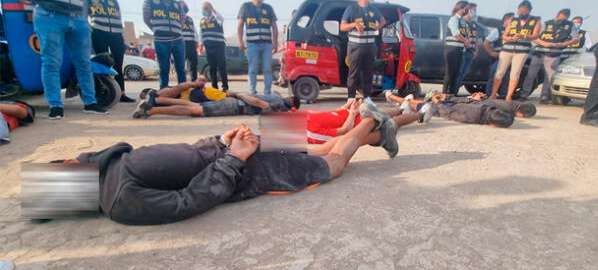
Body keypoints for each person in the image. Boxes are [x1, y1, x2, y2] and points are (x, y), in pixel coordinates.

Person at [50, 103, 398, 225]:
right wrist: (232, 155)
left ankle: (370, 122)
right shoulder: (120, 196)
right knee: (326, 155)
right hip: (245, 161)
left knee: (332, 162)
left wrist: (222, 140)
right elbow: (188, 201)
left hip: (240, 148)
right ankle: (375, 125)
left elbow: (181, 155)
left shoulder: (115, 166)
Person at [86, 0, 135, 103]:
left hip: (116, 34)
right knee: (101, 63)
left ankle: (122, 93)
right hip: (98, 33)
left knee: (118, 64)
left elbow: (119, 17)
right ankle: (102, 91)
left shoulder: (112, 0)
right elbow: (84, 15)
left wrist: (122, 36)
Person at [339, 0, 387, 105]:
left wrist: (378, 26)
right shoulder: (352, 9)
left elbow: (383, 20)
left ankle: (367, 97)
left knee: (368, 73)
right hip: (355, 46)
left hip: (370, 46)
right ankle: (351, 97)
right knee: (353, 73)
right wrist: (354, 25)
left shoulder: (373, 9)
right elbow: (343, 26)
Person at [306, 99, 426, 144]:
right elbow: (343, 132)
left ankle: (401, 110)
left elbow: (328, 114)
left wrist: (345, 107)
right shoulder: (312, 133)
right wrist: (352, 112)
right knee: (393, 122)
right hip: (359, 125)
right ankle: (422, 114)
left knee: (384, 113)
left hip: (352, 115)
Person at [521, 9, 577, 104]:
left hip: (554, 55)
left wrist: (564, 43)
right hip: (539, 53)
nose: (562, 20)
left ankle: (544, 97)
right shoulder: (547, 24)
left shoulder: (570, 26)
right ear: (557, 15)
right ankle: (524, 95)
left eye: (565, 18)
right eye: (561, 17)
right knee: (531, 75)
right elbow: (534, 37)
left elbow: (576, 39)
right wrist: (544, 43)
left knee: (549, 77)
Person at [491, 0, 541, 101]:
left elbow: (535, 35)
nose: (521, 14)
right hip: (507, 49)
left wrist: (524, 36)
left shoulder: (535, 22)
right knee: (500, 72)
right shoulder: (513, 20)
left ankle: (509, 96)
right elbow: (504, 35)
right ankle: (493, 94)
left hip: (522, 51)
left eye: (523, 12)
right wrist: (509, 38)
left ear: (529, 11)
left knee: (515, 73)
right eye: (519, 12)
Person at [143, 0, 186, 89]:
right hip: (161, 40)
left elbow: (182, 20)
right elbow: (146, 18)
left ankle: (184, 92)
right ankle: (164, 92)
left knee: (181, 68)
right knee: (164, 68)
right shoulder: (151, 0)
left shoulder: (177, 4)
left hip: (178, 39)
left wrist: (177, 29)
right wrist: (156, 29)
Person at [133, 90, 299, 119]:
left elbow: (256, 97)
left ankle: (157, 99)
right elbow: (257, 102)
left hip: (234, 102)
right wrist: (240, 95)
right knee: (195, 110)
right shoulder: (278, 103)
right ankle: (151, 110)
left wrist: (238, 94)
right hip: (235, 106)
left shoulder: (276, 98)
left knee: (194, 105)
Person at [237, 0, 278, 95]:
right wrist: (240, 41)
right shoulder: (246, 7)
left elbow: (274, 27)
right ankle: (252, 92)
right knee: (253, 69)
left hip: (267, 44)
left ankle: (267, 93)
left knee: (267, 69)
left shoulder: (268, 8)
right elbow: (240, 25)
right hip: (252, 44)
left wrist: (275, 43)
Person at [386, 91, 536, 119]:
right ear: (522, 113)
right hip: (460, 105)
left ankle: (397, 98)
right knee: (423, 105)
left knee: (424, 103)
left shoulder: (508, 104)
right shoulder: (507, 109)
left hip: (464, 102)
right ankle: (393, 97)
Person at [443, 0, 471, 94]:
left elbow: (465, 34)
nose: (468, 10)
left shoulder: (463, 21)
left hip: (460, 50)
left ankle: (452, 94)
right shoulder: (454, 19)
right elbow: (456, 34)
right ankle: (445, 94)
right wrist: (465, 40)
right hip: (452, 49)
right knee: (450, 73)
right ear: (461, 8)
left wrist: (467, 41)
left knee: (456, 74)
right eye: (466, 8)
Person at [138, 76, 227, 104]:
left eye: (144, 97)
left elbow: (179, 87)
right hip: (196, 98)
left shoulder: (160, 93)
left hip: (197, 94)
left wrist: (195, 83)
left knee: (229, 98)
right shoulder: (157, 99)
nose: (145, 100)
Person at [485, 13, 514, 95]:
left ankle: (503, 94)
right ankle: (489, 94)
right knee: (495, 74)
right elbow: (486, 42)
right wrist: (492, 52)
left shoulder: (514, 31)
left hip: (510, 57)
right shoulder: (497, 30)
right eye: (512, 20)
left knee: (507, 77)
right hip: (499, 58)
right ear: (506, 20)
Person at [202, 1, 228, 91]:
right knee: (212, 67)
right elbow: (201, 33)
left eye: (206, 8)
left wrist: (213, 10)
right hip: (208, 47)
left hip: (219, 45)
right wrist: (201, 45)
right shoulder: (202, 20)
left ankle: (225, 86)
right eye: (203, 9)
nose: (204, 10)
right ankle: (214, 87)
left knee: (221, 66)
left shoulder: (215, 18)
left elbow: (221, 19)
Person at [454, 3, 479, 95]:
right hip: (463, 51)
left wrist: (476, 50)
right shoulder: (461, 22)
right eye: (474, 10)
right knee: (459, 73)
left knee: (463, 73)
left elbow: (476, 38)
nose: (475, 12)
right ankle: (453, 92)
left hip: (471, 51)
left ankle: (455, 92)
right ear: (468, 10)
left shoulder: (474, 24)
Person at [180, 1, 199, 82]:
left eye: (184, 7)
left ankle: (194, 83)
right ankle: (182, 84)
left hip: (191, 44)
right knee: (181, 66)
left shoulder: (190, 19)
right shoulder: (176, 18)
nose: (183, 9)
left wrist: (197, 41)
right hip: (181, 44)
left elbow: (194, 31)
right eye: (181, 8)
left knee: (193, 65)